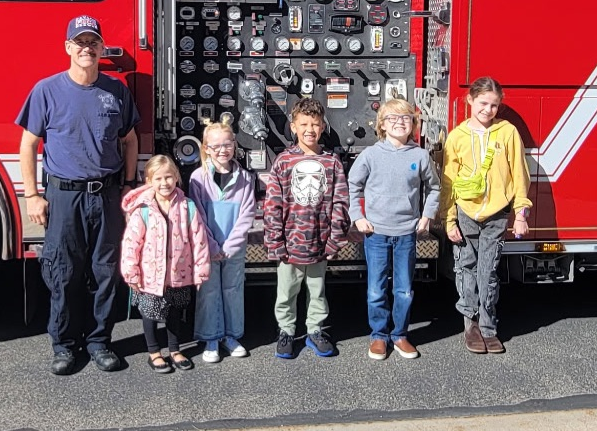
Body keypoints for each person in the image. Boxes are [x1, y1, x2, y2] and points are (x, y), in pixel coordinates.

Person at [17, 15, 140, 375]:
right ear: (68, 48)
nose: (87, 48)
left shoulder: (116, 90)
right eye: (80, 42)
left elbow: (129, 140)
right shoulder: (47, 90)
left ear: (102, 48)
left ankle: (100, 342)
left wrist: (129, 185)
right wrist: (32, 195)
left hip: (106, 194)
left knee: (105, 272)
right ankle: (65, 345)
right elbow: (28, 144)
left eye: (93, 42)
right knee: (64, 272)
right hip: (64, 196)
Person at [440, 76, 532, 354]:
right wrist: (448, 218)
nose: (488, 110)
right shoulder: (456, 136)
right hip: (465, 213)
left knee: (488, 271)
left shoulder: (507, 132)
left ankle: (489, 326)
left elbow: (520, 174)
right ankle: (470, 324)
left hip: (496, 215)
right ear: (470, 100)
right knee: (466, 268)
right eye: (483, 103)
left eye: (494, 105)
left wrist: (521, 213)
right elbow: (448, 181)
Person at [348, 99, 440, 361]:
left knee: (404, 290)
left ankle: (400, 335)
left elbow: (434, 188)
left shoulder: (420, 156)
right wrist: (358, 217)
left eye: (405, 118)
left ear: (413, 124)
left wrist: (427, 216)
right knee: (376, 289)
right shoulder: (370, 155)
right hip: (375, 233)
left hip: (406, 235)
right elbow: (352, 185)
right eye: (392, 118)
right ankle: (379, 335)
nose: (399, 122)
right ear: (382, 125)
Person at [264, 98, 350, 359]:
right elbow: (272, 205)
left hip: (319, 242)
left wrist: (335, 239)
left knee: (317, 290)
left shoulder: (332, 163)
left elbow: (340, 202)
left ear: (323, 126)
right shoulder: (283, 162)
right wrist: (275, 242)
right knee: (286, 292)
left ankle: (315, 329)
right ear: (293, 127)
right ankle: (286, 331)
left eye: (315, 124)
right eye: (304, 124)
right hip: (289, 244)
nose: (309, 129)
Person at [121, 154, 211, 373]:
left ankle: (175, 349)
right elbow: (131, 244)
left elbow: (198, 240)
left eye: (169, 177)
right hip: (150, 276)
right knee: (150, 313)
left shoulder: (187, 206)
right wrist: (131, 273)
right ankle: (154, 352)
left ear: (177, 177)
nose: (164, 183)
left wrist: (200, 271)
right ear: (149, 181)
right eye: (158, 179)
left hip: (178, 274)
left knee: (174, 313)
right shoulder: (143, 209)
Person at [189, 123, 256, 363]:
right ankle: (211, 337)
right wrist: (212, 245)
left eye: (227, 144)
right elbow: (196, 215)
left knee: (233, 290)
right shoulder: (198, 178)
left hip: (233, 249)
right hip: (208, 247)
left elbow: (247, 215)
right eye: (215, 146)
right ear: (206, 148)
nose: (222, 150)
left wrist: (228, 247)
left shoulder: (245, 179)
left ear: (234, 145)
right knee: (208, 291)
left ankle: (231, 336)